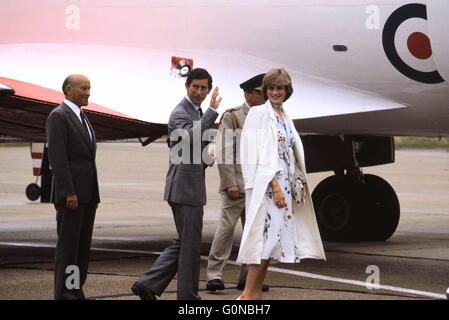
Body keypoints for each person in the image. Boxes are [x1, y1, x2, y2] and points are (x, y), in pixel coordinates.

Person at [131, 68, 221, 300]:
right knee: (190, 248)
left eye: (204, 88)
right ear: (187, 86)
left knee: (184, 243)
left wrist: (208, 155)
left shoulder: (196, 112)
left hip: (188, 186)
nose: (199, 92)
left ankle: (148, 284)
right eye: (196, 87)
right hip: (184, 189)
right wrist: (212, 111)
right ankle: (188, 298)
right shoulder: (180, 112)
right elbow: (190, 137)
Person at [237, 68, 326, 300]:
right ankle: (247, 294)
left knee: (275, 241)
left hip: (286, 186)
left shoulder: (285, 115)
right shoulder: (258, 113)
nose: (276, 92)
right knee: (264, 242)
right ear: (265, 90)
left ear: (287, 90)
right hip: (268, 187)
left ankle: (256, 292)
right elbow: (251, 154)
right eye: (271, 88)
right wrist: (274, 186)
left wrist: (299, 179)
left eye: (280, 88)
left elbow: (290, 153)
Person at [206, 73, 269, 292]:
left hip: (258, 187)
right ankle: (214, 274)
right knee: (226, 230)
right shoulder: (232, 117)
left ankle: (248, 278)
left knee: (255, 234)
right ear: (248, 94)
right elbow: (224, 152)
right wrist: (229, 183)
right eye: (260, 94)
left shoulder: (267, 117)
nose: (265, 98)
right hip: (237, 185)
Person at [46, 74, 100, 300]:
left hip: (87, 194)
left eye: (89, 88)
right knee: (68, 250)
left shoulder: (82, 116)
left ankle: (75, 290)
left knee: (81, 250)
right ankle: (65, 294)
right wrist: (69, 192)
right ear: (68, 90)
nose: (88, 92)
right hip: (72, 195)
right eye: (83, 88)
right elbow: (58, 159)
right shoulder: (58, 116)